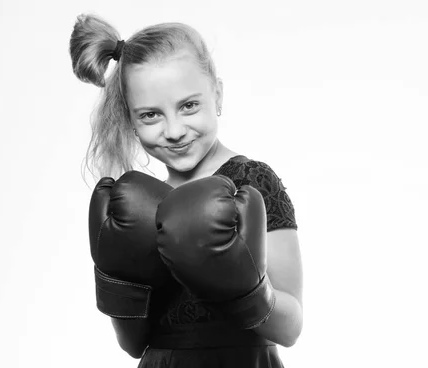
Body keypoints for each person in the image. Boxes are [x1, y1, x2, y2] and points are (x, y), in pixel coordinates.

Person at [69, 13, 304, 368]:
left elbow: (290, 330)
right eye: (150, 115)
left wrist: (245, 289)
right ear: (130, 120)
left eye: (188, 105)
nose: (175, 130)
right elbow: (134, 346)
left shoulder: (253, 181)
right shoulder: (138, 207)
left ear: (218, 95)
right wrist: (119, 287)